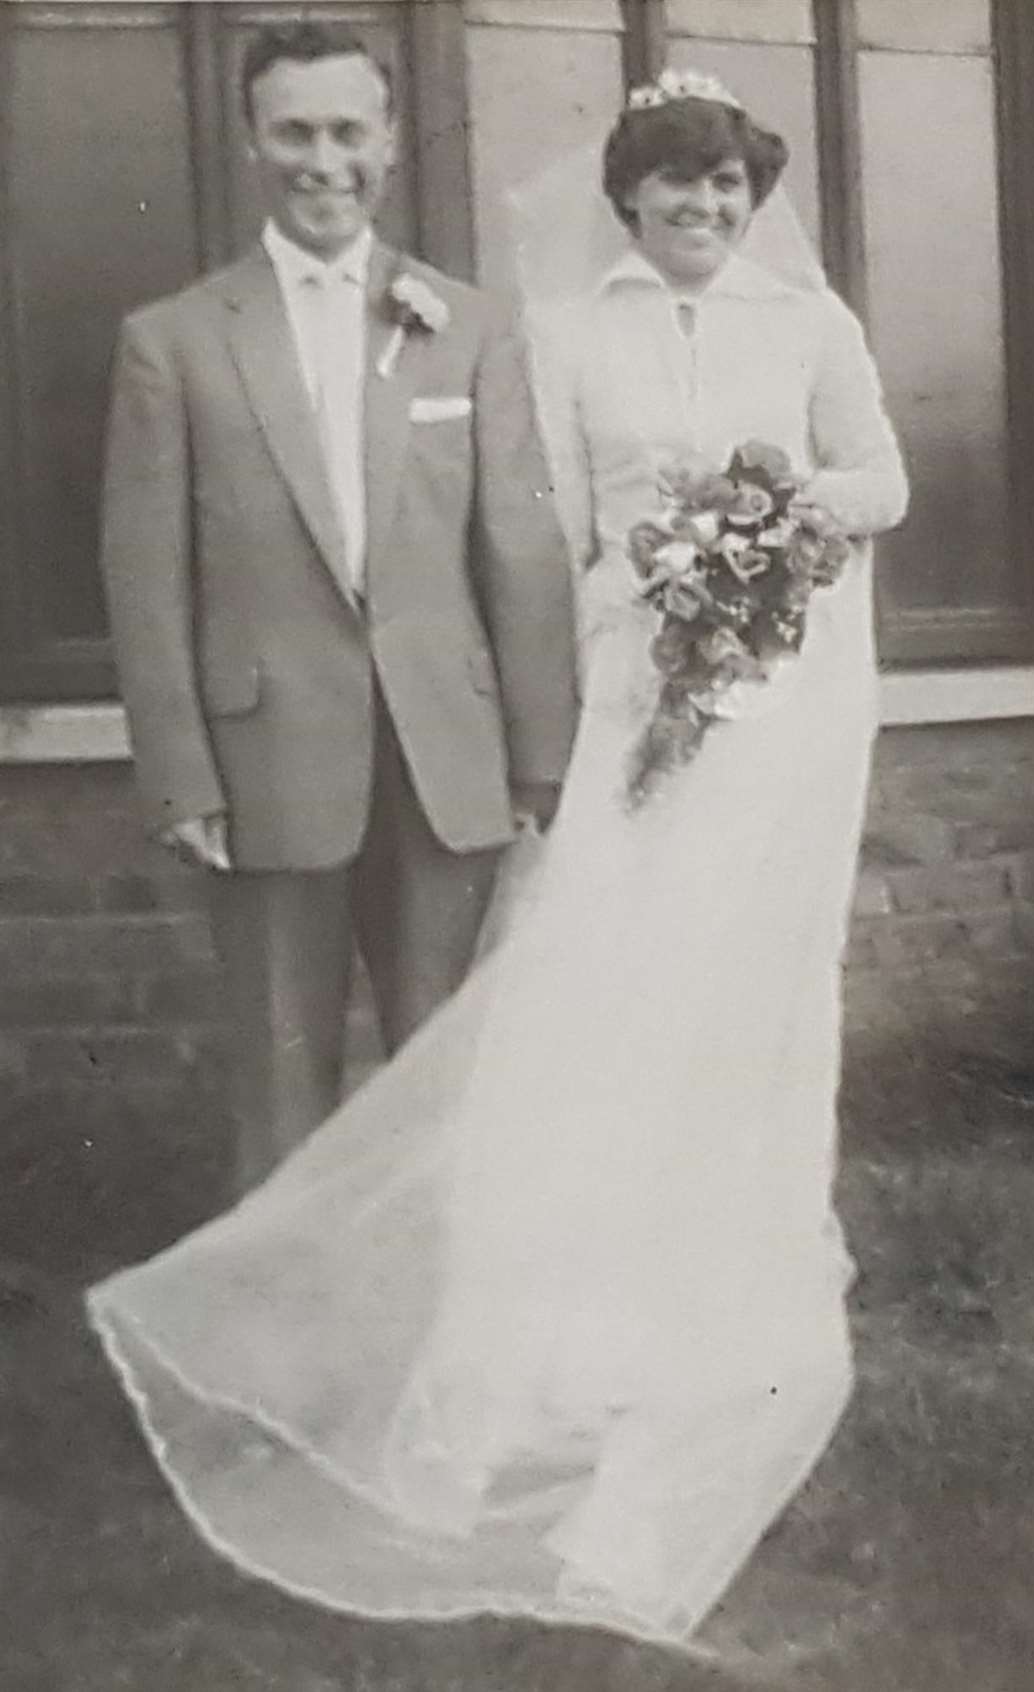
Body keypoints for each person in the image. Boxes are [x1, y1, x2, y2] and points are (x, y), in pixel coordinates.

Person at [89, 72, 908, 1647]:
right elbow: (529, 532)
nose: (703, 208)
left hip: (726, 710)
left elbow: (859, 480)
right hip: (589, 700)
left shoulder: (782, 326)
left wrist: (764, 518)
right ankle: (291, 1381)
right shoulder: (530, 328)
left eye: (726, 186)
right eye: (674, 183)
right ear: (628, 195)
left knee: (685, 1012)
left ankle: (654, 1315)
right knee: (516, 1024)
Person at [99, 21, 578, 1192]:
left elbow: (517, 545)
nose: (325, 161)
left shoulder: (464, 325)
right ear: (255, 143)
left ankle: (436, 1314)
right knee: (281, 1066)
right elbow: (145, 572)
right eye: (296, 132)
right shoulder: (173, 342)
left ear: (392, 142)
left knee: (445, 1064)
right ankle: (284, 1329)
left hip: (444, 755)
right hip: (266, 757)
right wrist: (180, 772)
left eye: (349, 131)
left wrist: (539, 757)